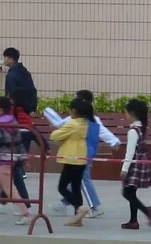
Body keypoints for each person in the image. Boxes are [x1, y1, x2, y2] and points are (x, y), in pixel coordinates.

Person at [45, 90, 120, 218]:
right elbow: (104, 132)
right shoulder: (92, 119)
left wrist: (47, 111)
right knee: (75, 182)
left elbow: (59, 126)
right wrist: (114, 141)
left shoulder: (74, 120)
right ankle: (64, 205)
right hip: (87, 152)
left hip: (77, 154)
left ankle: (93, 206)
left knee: (82, 180)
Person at [50, 97, 100, 227]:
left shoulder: (73, 124)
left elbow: (55, 136)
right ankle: (78, 219)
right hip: (81, 157)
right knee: (76, 188)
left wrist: (58, 131)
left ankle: (79, 208)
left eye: (70, 110)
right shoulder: (85, 123)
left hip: (71, 158)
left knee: (62, 187)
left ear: (74, 111)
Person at [0, 88, 51, 215]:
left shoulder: (9, 118)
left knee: (12, 184)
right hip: (15, 154)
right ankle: (10, 200)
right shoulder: (15, 117)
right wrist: (24, 158)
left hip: (6, 157)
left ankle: (25, 209)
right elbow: (22, 139)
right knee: (12, 181)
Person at [120, 99, 151, 230]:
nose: (125, 116)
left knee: (127, 193)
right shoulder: (141, 128)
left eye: (126, 113)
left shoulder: (133, 131)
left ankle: (146, 211)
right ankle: (133, 221)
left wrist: (124, 169)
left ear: (132, 113)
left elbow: (130, 152)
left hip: (133, 164)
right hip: (140, 163)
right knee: (131, 193)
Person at [0, 97, 31, 225]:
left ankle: (25, 213)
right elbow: (19, 143)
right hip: (11, 159)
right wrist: (23, 159)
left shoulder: (1, 124)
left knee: (10, 189)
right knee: (4, 187)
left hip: (3, 160)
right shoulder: (13, 122)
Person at [3, 48, 37, 115]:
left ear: (11, 59)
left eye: (5, 57)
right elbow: (32, 89)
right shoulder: (25, 71)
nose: (4, 60)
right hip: (27, 107)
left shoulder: (11, 74)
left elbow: (10, 91)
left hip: (15, 108)